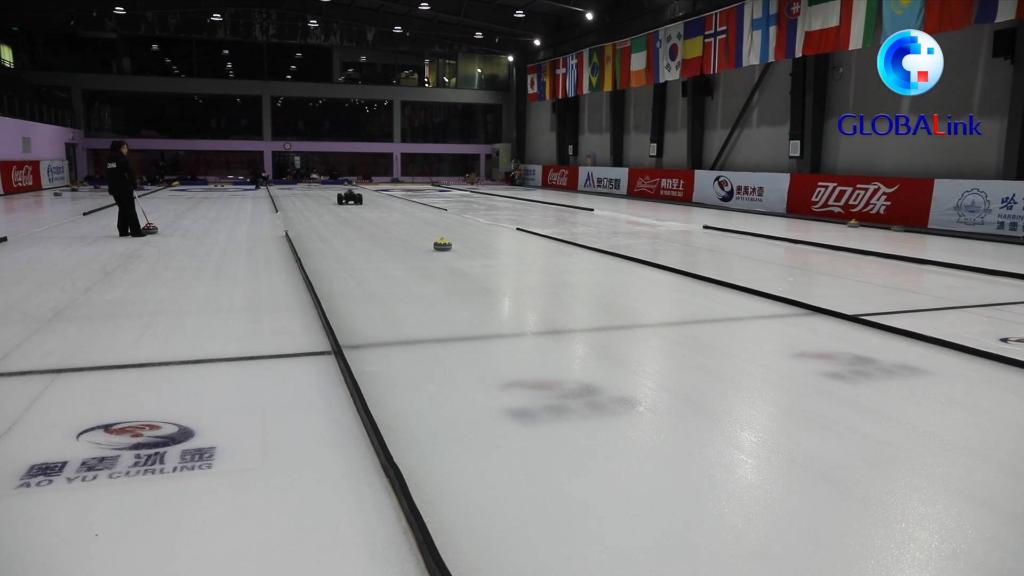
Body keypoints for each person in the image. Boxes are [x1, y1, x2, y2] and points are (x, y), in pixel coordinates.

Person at [106, 140, 145, 238]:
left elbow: (109, 175)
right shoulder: (122, 159)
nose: (126, 150)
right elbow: (130, 173)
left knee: (122, 209)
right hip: (124, 188)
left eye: (126, 148)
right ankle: (136, 231)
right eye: (124, 148)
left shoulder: (109, 160)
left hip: (114, 189)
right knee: (130, 209)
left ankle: (123, 231)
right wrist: (133, 184)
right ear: (119, 149)